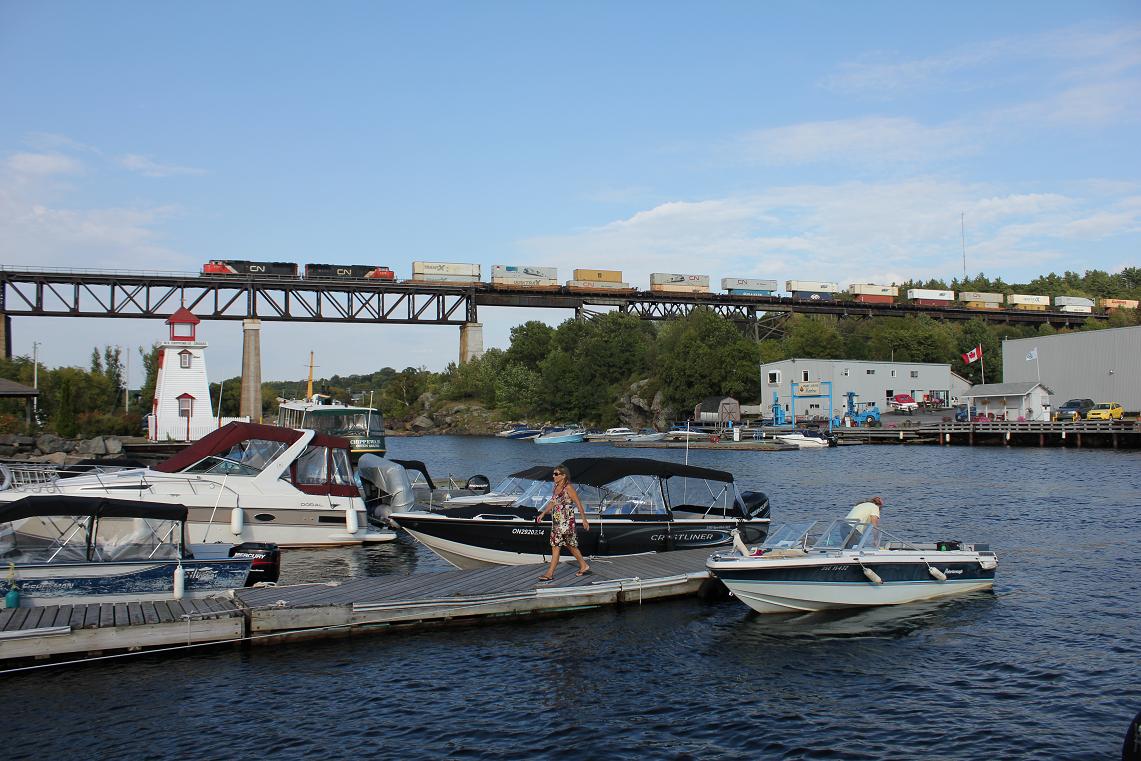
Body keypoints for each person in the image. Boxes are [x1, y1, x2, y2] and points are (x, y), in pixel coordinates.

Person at [534, 464, 591, 581]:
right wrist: (543, 513)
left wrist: (584, 519)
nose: (553, 476)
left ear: (563, 475)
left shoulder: (568, 487)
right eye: (553, 474)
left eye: (556, 474)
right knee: (563, 545)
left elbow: (578, 504)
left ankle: (550, 573)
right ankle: (583, 566)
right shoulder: (555, 487)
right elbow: (553, 502)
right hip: (556, 521)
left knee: (563, 545)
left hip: (566, 521)